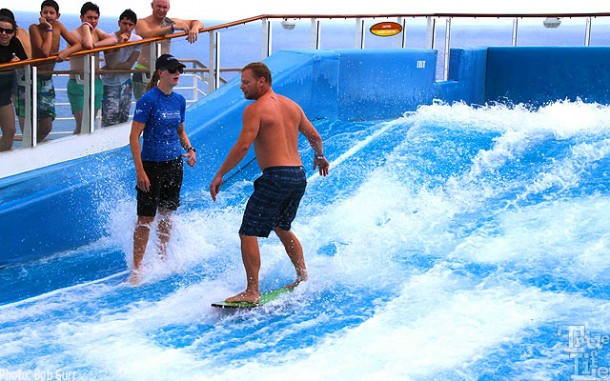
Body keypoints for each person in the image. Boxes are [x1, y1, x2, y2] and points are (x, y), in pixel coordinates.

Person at [209, 62, 330, 303]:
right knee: (281, 227)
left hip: (276, 176)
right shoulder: (292, 106)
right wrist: (320, 157)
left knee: (248, 231)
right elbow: (315, 136)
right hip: (298, 175)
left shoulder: (256, 109)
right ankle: (303, 277)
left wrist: (220, 174)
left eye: (246, 82)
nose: (242, 87)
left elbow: (244, 145)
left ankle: (252, 291)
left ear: (261, 81)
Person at [128, 54, 197, 285]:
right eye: (171, 69)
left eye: (179, 69)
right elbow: (134, 137)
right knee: (145, 218)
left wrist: (190, 149)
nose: (177, 73)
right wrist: (140, 171)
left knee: (167, 214)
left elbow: (180, 132)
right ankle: (136, 269)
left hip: (174, 164)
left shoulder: (179, 100)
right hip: (151, 166)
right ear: (160, 73)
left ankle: (162, 257)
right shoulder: (148, 100)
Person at [20, 0, 81, 143]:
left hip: (47, 80)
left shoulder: (59, 26)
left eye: (51, 13)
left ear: (57, 15)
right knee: (31, 122)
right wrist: (48, 28)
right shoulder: (34, 28)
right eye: (45, 12)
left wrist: (66, 52)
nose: (48, 15)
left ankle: (33, 146)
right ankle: (29, 148)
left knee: (46, 125)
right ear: (40, 14)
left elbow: (77, 44)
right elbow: (45, 52)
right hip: (31, 79)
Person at [132, 0, 203, 100]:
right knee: (145, 109)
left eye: (164, 7)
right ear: (152, 6)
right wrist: (172, 28)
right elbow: (148, 34)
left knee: (162, 108)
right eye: (159, 6)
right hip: (144, 73)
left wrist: (195, 28)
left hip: (164, 74)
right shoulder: (141, 22)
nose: (161, 10)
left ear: (168, 8)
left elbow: (197, 22)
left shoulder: (170, 22)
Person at [68, 2, 116, 134]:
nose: (93, 21)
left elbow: (113, 41)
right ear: (82, 17)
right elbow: (87, 45)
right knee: (82, 124)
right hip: (78, 83)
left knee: (89, 124)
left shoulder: (97, 33)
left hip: (95, 82)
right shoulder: (73, 34)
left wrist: (95, 45)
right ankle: (73, 150)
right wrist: (85, 27)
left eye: (95, 18)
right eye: (89, 18)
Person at [101, 9, 142, 127]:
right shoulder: (109, 38)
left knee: (123, 119)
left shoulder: (137, 40)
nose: (127, 27)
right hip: (109, 83)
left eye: (130, 24)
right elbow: (111, 64)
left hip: (126, 83)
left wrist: (110, 67)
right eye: (124, 23)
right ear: (119, 23)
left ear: (134, 26)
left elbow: (128, 65)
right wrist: (119, 44)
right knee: (109, 119)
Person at [0, 16, 27, 151]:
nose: (4, 33)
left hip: (3, 96)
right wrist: (8, 66)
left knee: (10, 131)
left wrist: (19, 64)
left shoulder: (15, 43)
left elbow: (26, 64)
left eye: (8, 31)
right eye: (0, 30)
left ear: (13, 32)